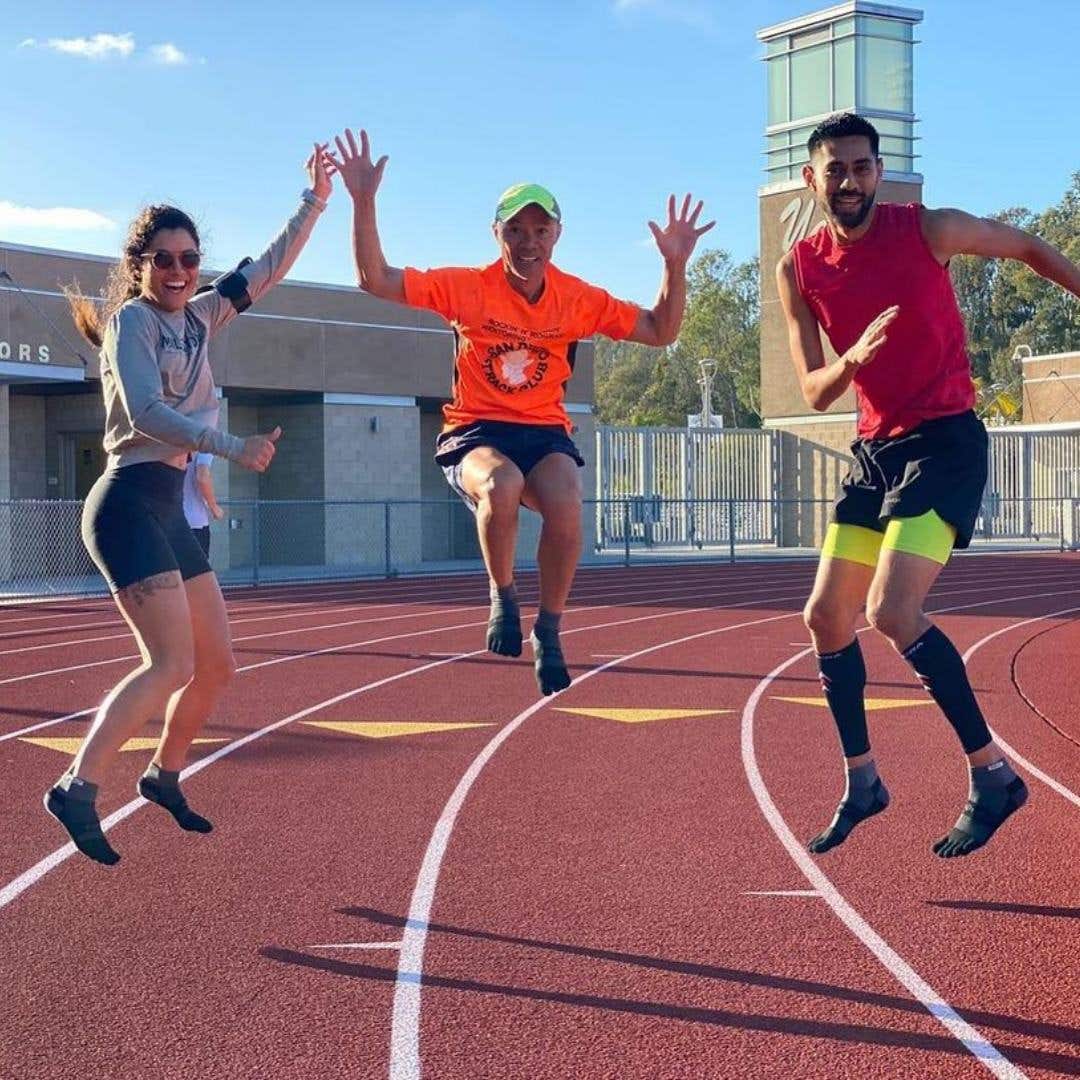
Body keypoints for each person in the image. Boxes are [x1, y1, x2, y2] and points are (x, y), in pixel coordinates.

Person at [776, 112, 1080, 859]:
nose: (849, 181)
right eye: (834, 169)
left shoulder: (929, 230)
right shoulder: (799, 267)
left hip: (944, 441)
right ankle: (863, 780)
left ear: (880, 171)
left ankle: (992, 776)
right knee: (824, 616)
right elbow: (814, 390)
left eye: (862, 166)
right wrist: (852, 359)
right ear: (812, 179)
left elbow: (1029, 246)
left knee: (891, 608)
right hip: (875, 450)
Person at [331, 128, 713, 695]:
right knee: (502, 484)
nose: (528, 241)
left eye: (540, 229)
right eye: (516, 229)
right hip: (476, 430)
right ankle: (502, 596)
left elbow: (661, 330)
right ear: (497, 233)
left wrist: (675, 265)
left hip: (542, 430)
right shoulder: (468, 287)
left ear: (557, 234)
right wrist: (363, 201)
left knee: (566, 503)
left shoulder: (576, 298)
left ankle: (551, 629)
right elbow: (376, 279)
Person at [47, 145, 334, 865]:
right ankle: (76, 788)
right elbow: (144, 410)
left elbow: (264, 270)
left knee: (217, 665)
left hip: (168, 507)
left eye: (188, 259)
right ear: (139, 265)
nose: (178, 272)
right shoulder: (132, 326)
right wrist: (230, 446)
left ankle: (163, 774)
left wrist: (316, 202)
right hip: (125, 506)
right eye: (164, 259)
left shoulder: (204, 316)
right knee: (169, 663)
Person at [183, 452, 224, 557]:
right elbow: (202, 477)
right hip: (194, 522)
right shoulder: (204, 448)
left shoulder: (168, 441)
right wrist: (214, 507)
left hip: (165, 520)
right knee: (198, 571)